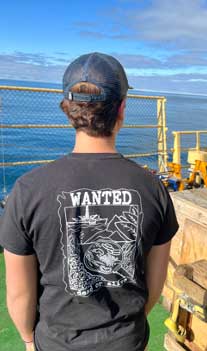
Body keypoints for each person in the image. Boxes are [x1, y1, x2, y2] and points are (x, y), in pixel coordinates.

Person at [0, 53, 178, 351]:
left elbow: (19, 293)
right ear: (121, 109)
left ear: (66, 108)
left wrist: (29, 340)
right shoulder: (152, 189)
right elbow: (155, 284)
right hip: (127, 341)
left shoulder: (28, 189)